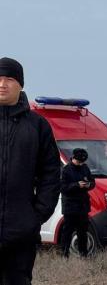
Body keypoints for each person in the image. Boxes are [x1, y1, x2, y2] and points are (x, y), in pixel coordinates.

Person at [0, 57, 61, 284]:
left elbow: (51, 173)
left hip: (21, 233)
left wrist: (35, 216)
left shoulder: (37, 126)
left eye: (9, 79)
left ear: (21, 84)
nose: (2, 84)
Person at [60, 148, 96, 258]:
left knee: (83, 232)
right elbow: (63, 187)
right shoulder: (66, 170)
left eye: (83, 162)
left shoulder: (85, 168)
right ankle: (64, 254)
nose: (81, 164)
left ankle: (83, 254)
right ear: (74, 158)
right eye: (79, 161)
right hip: (70, 206)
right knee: (68, 231)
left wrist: (88, 185)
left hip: (83, 206)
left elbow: (93, 182)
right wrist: (76, 185)